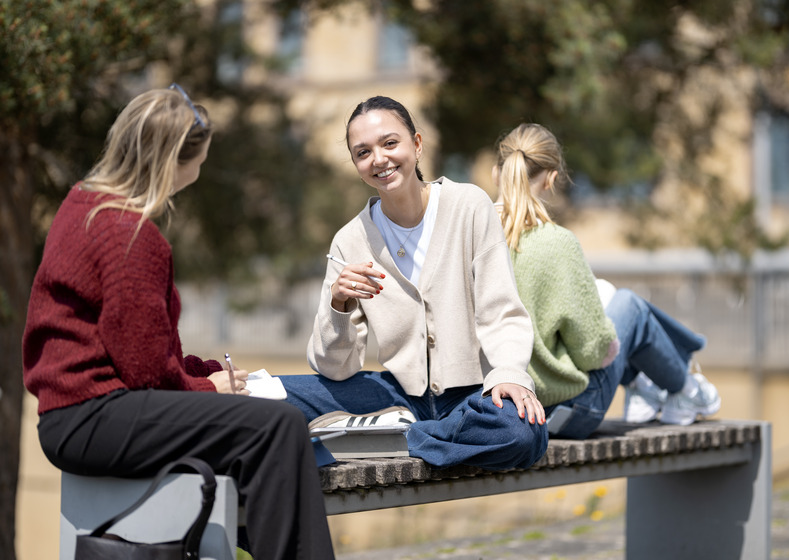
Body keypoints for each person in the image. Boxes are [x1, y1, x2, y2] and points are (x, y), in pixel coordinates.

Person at [22, 85, 334, 560]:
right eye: (201, 159)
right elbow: (147, 373)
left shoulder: (83, 205)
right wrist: (211, 392)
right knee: (277, 427)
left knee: (265, 430)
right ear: (174, 162)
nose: (202, 169)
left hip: (74, 416)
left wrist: (206, 373)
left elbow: (141, 349)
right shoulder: (128, 234)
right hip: (93, 417)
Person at [277, 96, 548, 470]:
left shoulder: (468, 206)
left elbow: (500, 311)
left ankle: (393, 438)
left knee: (521, 434)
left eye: (390, 143)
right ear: (357, 165)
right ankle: (405, 432)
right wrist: (338, 306)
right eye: (363, 152)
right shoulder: (349, 240)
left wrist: (509, 375)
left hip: (472, 397)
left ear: (417, 145)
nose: (379, 159)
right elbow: (337, 369)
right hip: (396, 396)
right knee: (273, 396)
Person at [492, 123, 721, 437]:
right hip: (565, 414)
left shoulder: (476, 237)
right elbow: (594, 352)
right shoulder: (556, 243)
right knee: (629, 306)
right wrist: (615, 342)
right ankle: (686, 389)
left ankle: (651, 383)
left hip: (502, 411)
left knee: (614, 302)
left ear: (497, 174)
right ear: (552, 178)